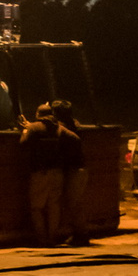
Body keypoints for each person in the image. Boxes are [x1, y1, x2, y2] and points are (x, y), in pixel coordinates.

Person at [20, 103, 75, 247]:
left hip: (40, 172)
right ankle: (53, 237)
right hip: (57, 172)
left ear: (38, 114)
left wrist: (26, 130)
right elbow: (74, 138)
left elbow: (23, 143)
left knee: (37, 207)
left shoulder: (33, 128)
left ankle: (42, 238)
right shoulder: (59, 128)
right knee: (54, 206)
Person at [51, 100, 89, 246]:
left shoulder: (62, 129)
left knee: (74, 204)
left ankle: (81, 235)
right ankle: (77, 233)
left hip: (74, 170)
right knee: (73, 203)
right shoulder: (75, 124)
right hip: (79, 169)